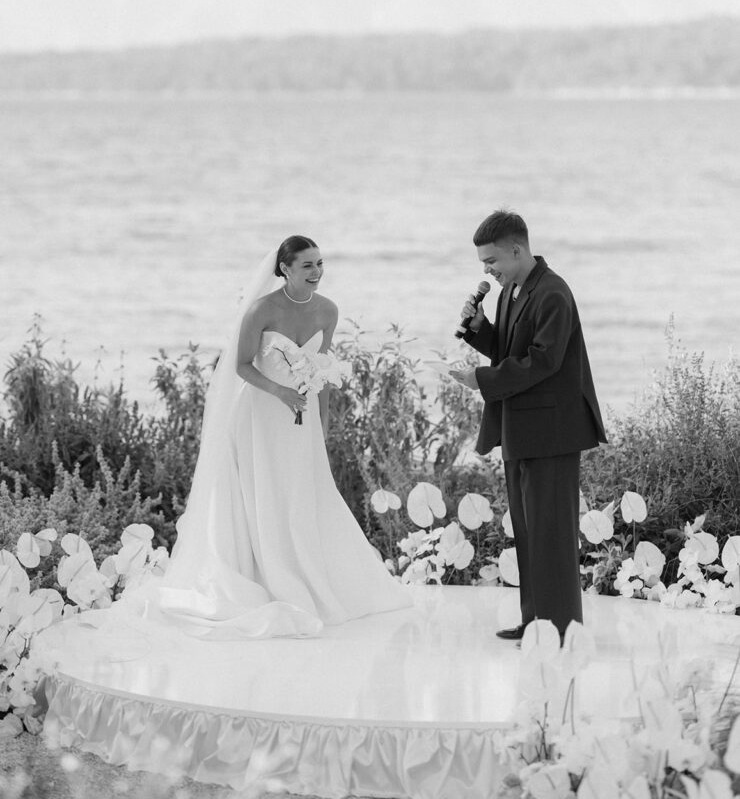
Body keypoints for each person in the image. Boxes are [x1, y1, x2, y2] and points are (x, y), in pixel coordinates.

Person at [132, 235, 411, 639]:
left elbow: (323, 368)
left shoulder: (328, 311)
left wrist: (323, 419)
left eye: (320, 264)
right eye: (307, 266)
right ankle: (267, 575)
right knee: (262, 489)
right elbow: (241, 366)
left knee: (301, 491)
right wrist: (281, 391)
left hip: (304, 416)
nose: (317, 272)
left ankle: (307, 572)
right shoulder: (261, 310)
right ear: (284, 269)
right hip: (260, 414)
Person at [449, 211, 606, 641]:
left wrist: (479, 379)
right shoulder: (513, 290)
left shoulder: (553, 292)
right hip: (522, 428)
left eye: (491, 261)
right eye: (484, 264)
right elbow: (509, 348)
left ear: (517, 250)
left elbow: (543, 360)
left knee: (551, 533)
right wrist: (480, 330)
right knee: (529, 529)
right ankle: (535, 621)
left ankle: (561, 629)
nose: (487, 271)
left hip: (552, 432)